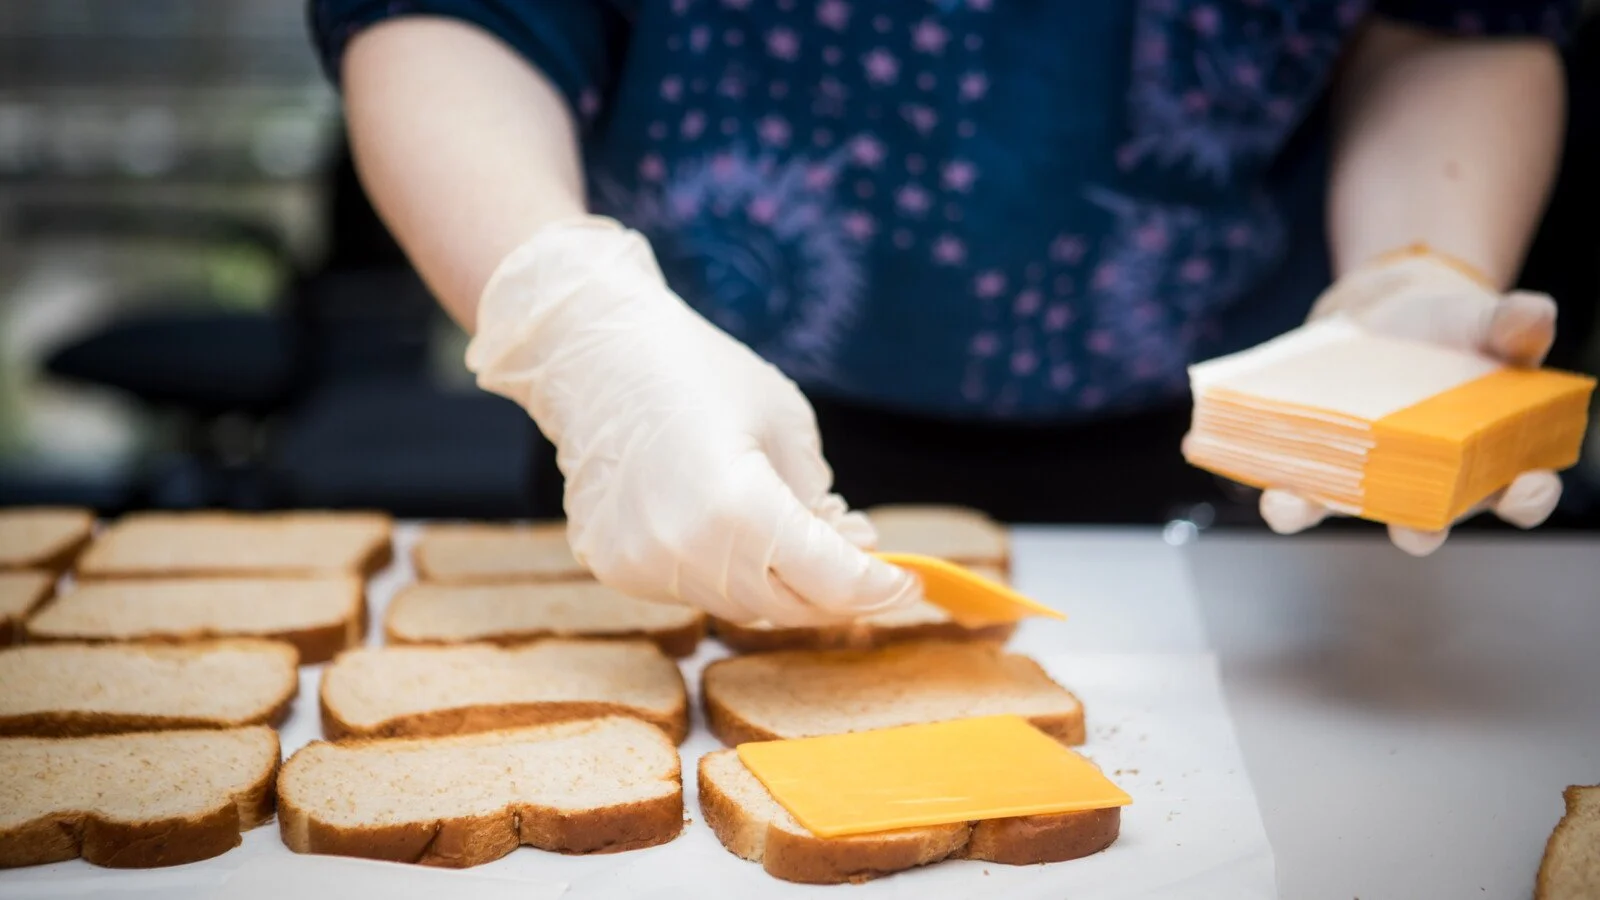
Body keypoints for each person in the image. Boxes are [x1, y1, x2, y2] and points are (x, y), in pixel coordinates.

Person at [309, 0, 1577, 626]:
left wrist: (1416, 267)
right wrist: (574, 321)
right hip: (676, 415)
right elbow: (449, 12)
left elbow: (1452, 21)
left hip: (1245, 444)